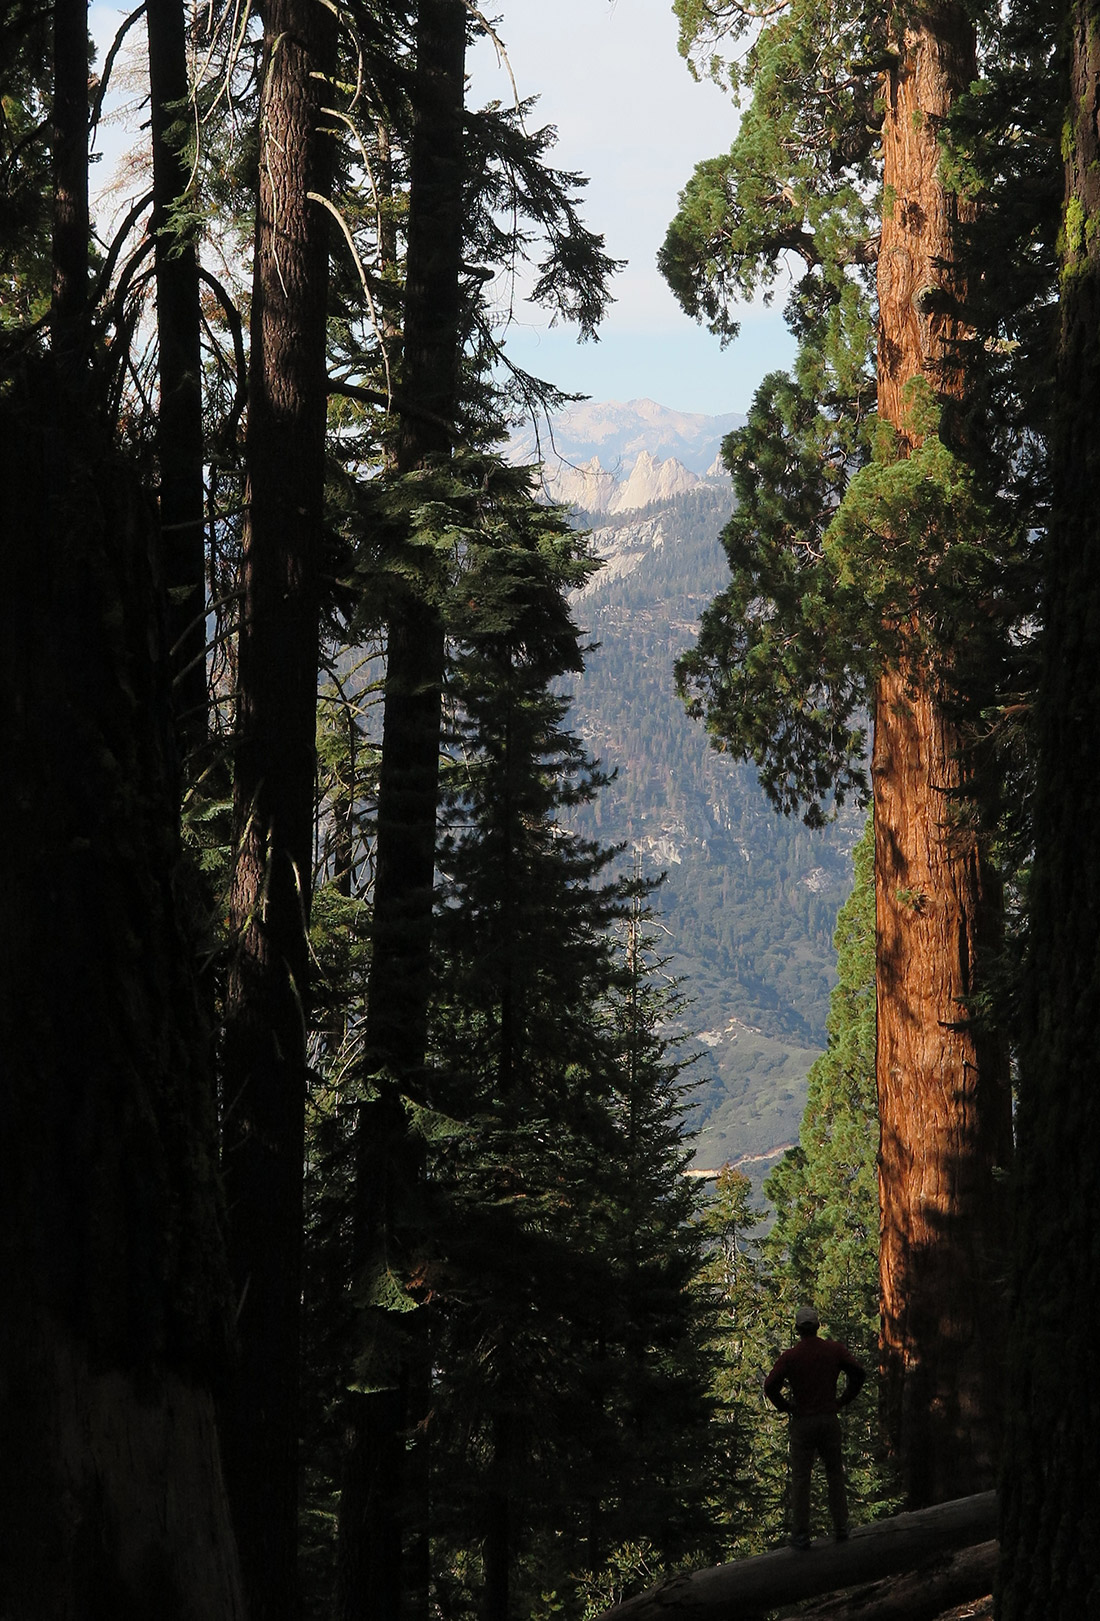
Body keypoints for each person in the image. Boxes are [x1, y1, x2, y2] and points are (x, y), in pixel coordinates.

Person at [764, 1305, 865, 1550]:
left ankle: (800, 1535)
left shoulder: (791, 1356)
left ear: (798, 1329)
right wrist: (842, 1400)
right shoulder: (833, 1350)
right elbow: (858, 1374)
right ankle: (841, 1528)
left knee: (801, 1478)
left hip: (803, 1422)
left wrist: (787, 1407)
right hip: (829, 1419)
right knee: (834, 1474)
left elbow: (770, 1385)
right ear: (818, 1326)